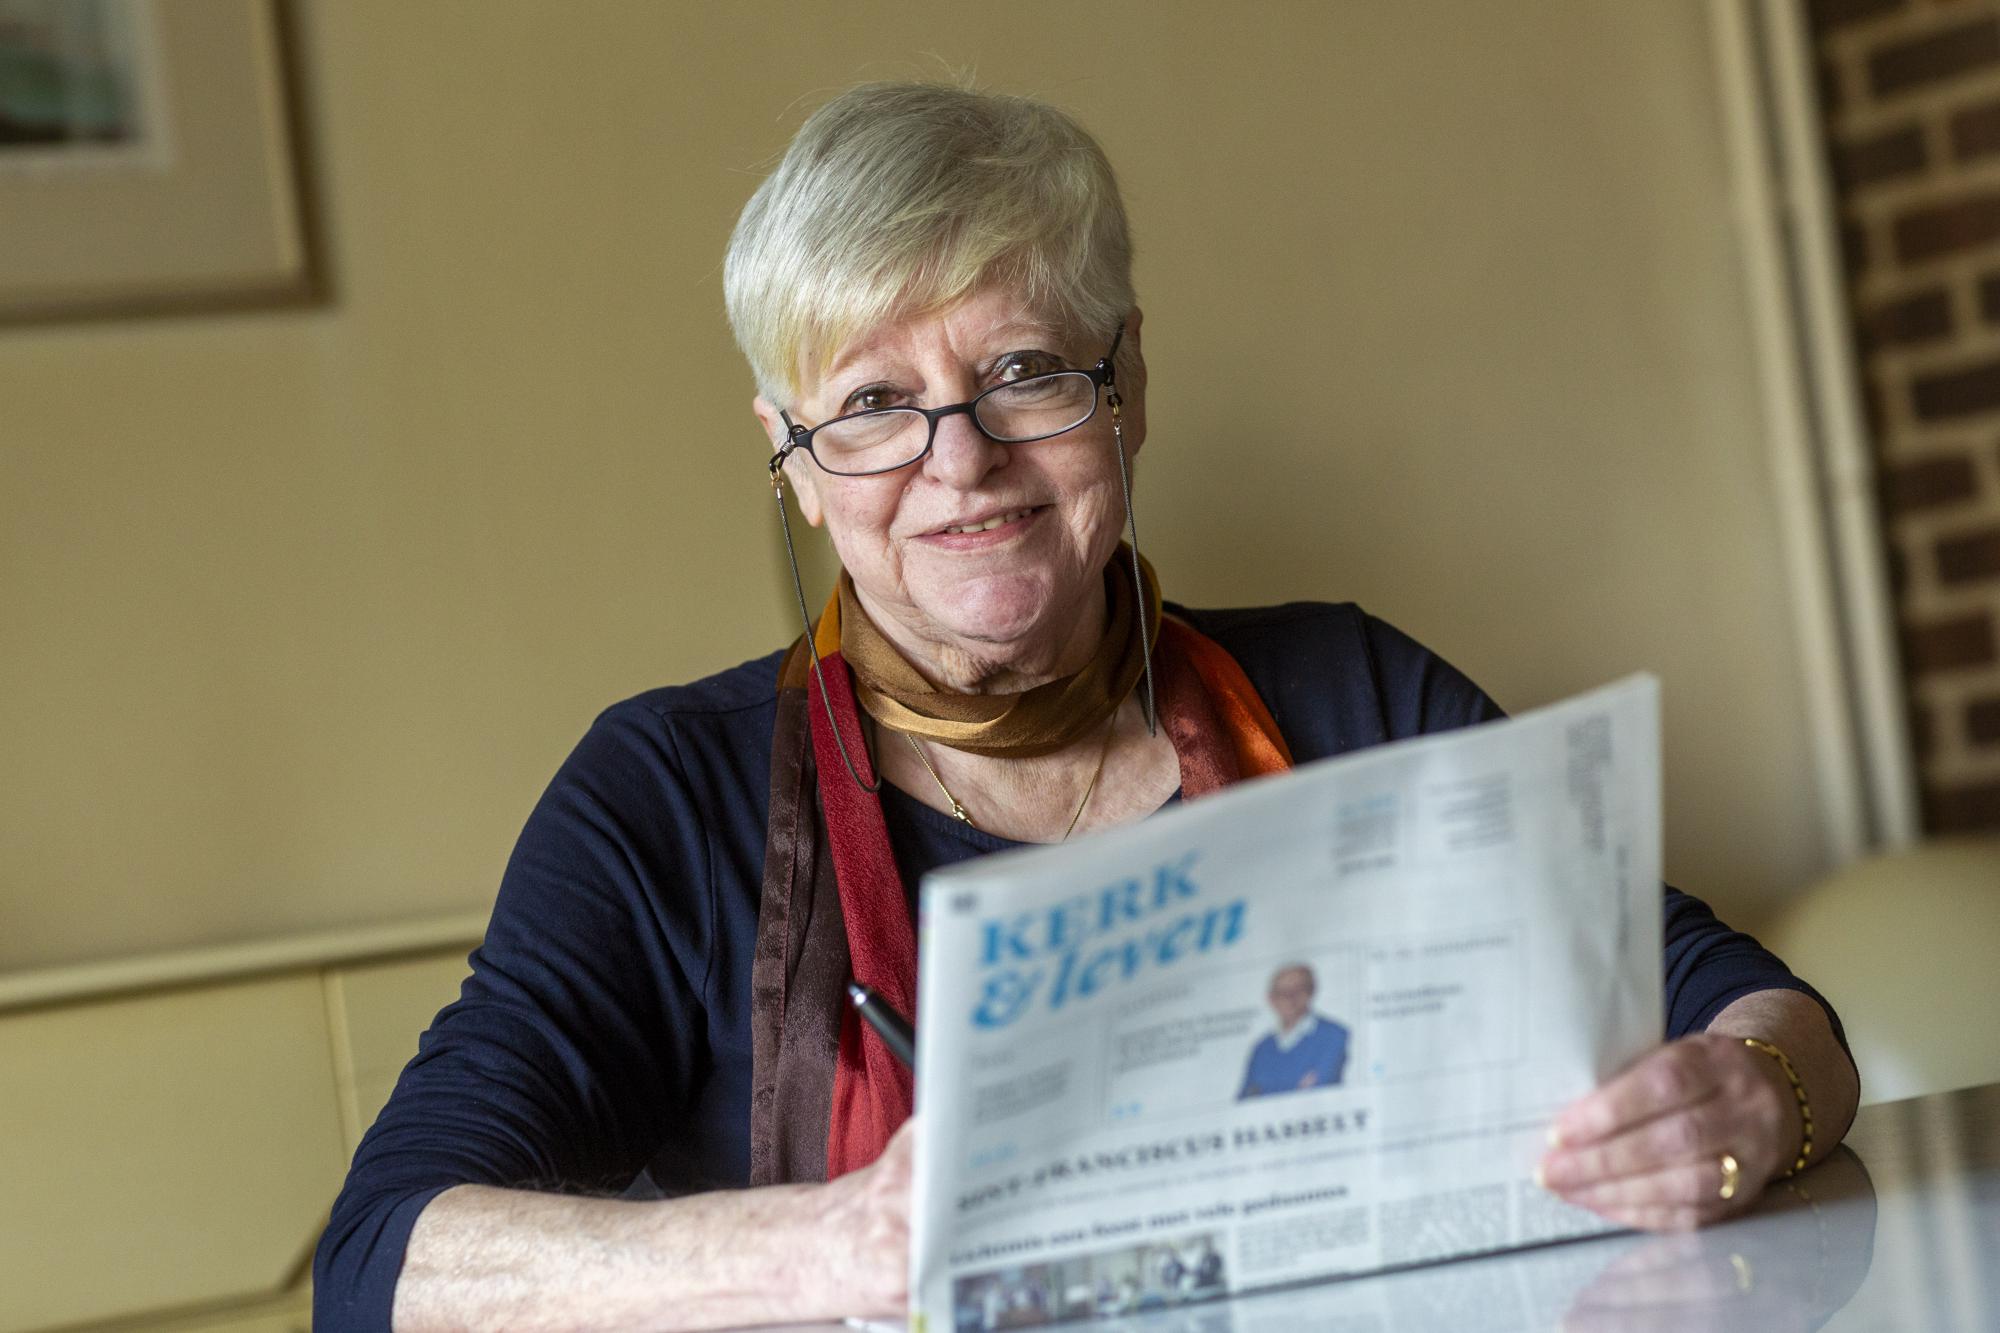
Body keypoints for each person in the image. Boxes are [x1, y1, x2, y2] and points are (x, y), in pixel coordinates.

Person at [312, 81, 1860, 1331]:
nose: (961, 457)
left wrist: (1749, 1094)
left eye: (1024, 371)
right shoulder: (669, 794)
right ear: (792, 458)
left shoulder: (1350, 687)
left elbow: (1748, 1001)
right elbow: (386, 1260)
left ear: (1127, 387)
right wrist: (831, 1250)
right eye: (870, 405)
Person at [1238, 963, 1350, 1098]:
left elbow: (1320, 1088)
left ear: (1310, 992)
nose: (1289, 999)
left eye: (1297, 991)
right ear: (1271, 999)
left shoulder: (1333, 1035)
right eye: (1282, 993)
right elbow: (1245, 1100)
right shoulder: (1261, 1049)